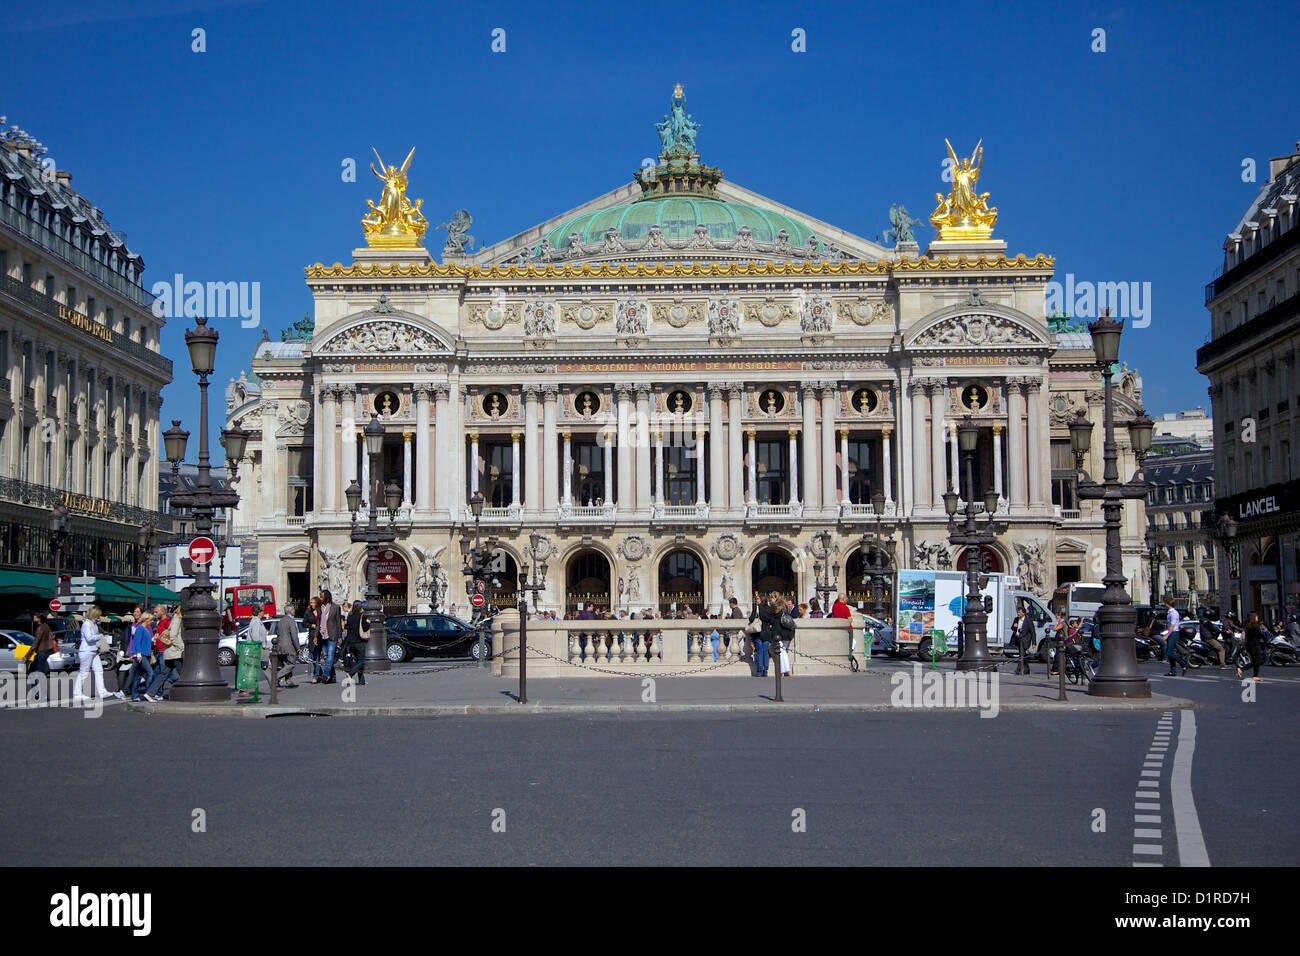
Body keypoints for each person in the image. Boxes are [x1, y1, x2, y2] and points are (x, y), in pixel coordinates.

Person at [75, 607, 117, 700]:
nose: (98, 617)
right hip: (87, 651)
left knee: (99, 670)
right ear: (94, 615)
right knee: (84, 672)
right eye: (97, 615)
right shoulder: (86, 624)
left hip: (93, 650)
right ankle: (77, 693)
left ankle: (102, 691)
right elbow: (89, 638)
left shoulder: (92, 624)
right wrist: (99, 637)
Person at [126, 611, 157, 702]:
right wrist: (138, 654)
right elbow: (137, 642)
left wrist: (153, 639)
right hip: (142, 654)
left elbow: (145, 641)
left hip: (144, 654)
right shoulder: (140, 629)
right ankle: (149, 693)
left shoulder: (145, 629)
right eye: (151, 620)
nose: (152, 622)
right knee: (150, 673)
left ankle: (134, 695)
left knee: (138, 675)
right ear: (146, 620)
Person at [315, 590, 342, 684]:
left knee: (330, 655)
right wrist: (315, 635)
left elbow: (338, 623)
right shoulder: (320, 608)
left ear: (326, 597)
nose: (320, 598)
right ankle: (333, 677)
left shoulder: (335, 607)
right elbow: (318, 623)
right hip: (322, 634)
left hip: (332, 634)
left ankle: (325, 675)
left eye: (322, 597)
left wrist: (339, 636)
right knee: (326, 656)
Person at [343, 599, 370, 684]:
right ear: (360, 607)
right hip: (359, 641)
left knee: (358, 661)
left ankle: (362, 681)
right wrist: (368, 623)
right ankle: (350, 674)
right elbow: (365, 628)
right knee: (361, 661)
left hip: (351, 642)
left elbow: (347, 628)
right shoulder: (363, 616)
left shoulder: (350, 616)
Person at [27, 613, 58, 687]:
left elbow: (36, 642)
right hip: (46, 651)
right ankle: (36, 690)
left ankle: (40, 692)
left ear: (39, 618)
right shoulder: (46, 626)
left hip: (41, 652)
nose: (33, 617)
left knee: (39, 672)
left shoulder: (40, 628)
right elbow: (52, 636)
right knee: (33, 671)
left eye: (35, 616)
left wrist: (28, 655)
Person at [274, 602, 299, 687]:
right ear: (290, 611)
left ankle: (288, 681)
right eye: (293, 609)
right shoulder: (291, 621)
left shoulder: (281, 621)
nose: (294, 611)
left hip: (280, 645)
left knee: (286, 663)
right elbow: (294, 635)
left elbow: (277, 633)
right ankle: (276, 677)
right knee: (291, 664)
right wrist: (297, 647)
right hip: (288, 646)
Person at [1162, 598, 1187, 676]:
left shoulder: (1173, 613)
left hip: (1174, 633)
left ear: (1168, 604)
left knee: (1169, 652)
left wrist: (1167, 635)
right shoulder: (1170, 612)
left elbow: (1172, 626)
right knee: (1171, 653)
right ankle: (1172, 671)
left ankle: (1184, 664)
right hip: (1172, 633)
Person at [1241, 612, 1267, 681]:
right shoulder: (1255, 626)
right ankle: (1242, 669)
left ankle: (1255, 675)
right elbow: (1260, 634)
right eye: (1256, 617)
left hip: (1249, 645)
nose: (1257, 618)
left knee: (1255, 661)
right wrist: (1266, 640)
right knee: (1258, 661)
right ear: (1253, 618)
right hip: (1255, 645)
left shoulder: (1248, 625)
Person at [1013, 605, 1033, 676]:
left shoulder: (1028, 621)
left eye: (1019, 612)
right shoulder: (1016, 619)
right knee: (1023, 654)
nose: (1018, 614)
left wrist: (1034, 642)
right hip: (1018, 639)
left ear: (1023, 613)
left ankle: (1019, 669)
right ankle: (1027, 669)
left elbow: (1032, 632)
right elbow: (1013, 628)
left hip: (1025, 640)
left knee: (1022, 654)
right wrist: (1014, 627)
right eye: (1018, 612)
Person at [304, 596, 321, 673]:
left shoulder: (321, 611)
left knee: (320, 655)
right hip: (312, 634)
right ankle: (318, 673)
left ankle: (318, 674)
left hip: (320, 635)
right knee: (313, 655)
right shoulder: (308, 612)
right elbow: (304, 623)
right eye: (311, 602)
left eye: (313, 602)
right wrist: (311, 625)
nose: (311, 604)